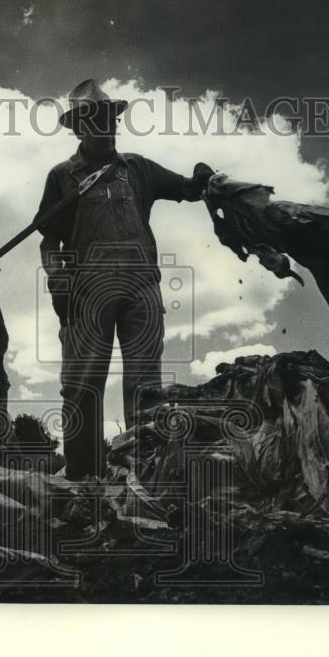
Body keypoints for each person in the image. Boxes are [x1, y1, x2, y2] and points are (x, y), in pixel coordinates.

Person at [35, 79, 214, 481]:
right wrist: (58, 283)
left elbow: (187, 189)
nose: (109, 126)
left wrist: (202, 180)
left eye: (112, 118)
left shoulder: (138, 168)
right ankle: (82, 479)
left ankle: (143, 475)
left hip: (141, 287)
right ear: (79, 128)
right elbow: (48, 241)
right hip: (87, 290)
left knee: (145, 385)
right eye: (97, 119)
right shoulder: (63, 176)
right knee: (82, 386)